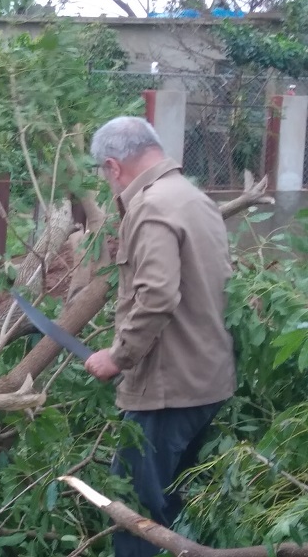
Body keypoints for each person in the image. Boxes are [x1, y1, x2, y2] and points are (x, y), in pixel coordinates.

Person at [82, 116, 236, 557]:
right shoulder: (193, 197)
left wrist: (118, 356)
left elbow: (156, 297)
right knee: (178, 509)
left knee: (137, 514)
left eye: (103, 174)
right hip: (207, 381)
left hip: (168, 391)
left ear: (113, 167)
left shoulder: (150, 206)